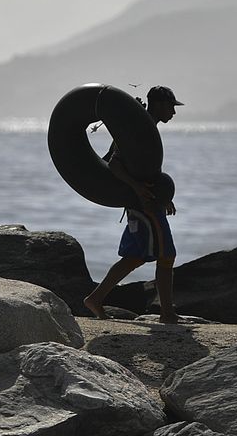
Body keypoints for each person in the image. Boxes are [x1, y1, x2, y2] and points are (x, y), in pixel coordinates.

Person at [84, 84, 183, 324]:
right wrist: (138, 189)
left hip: (144, 201)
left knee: (135, 257)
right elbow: (116, 163)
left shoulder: (145, 126)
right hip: (143, 205)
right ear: (158, 104)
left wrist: (163, 196)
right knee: (167, 254)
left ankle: (95, 299)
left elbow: (145, 169)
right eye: (171, 106)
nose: (174, 112)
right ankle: (166, 313)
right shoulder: (137, 127)